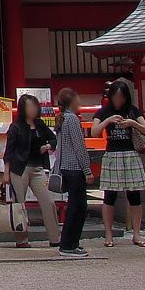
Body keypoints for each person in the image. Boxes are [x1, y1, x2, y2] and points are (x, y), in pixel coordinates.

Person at [91, 78, 145, 246]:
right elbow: (94, 132)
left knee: (135, 195)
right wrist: (108, 121)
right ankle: (108, 234)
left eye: (122, 97)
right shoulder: (103, 112)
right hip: (112, 155)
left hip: (130, 154)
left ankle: (137, 234)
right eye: (116, 97)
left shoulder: (133, 111)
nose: (118, 100)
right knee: (109, 196)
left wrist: (132, 123)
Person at [2, 93, 61, 249]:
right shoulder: (15, 127)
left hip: (37, 167)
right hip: (19, 168)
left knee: (48, 201)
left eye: (34, 106)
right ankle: (22, 239)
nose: (33, 109)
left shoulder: (40, 124)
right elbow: (9, 152)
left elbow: (53, 138)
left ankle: (55, 238)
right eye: (29, 107)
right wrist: (6, 173)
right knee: (19, 204)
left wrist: (48, 146)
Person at [54, 88, 93, 257]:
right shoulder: (72, 120)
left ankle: (69, 243)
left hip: (65, 167)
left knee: (74, 206)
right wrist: (87, 170)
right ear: (73, 101)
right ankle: (70, 244)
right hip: (75, 168)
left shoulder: (63, 119)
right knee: (78, 207)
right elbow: (79, 147)